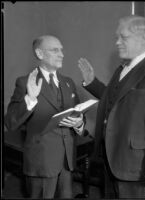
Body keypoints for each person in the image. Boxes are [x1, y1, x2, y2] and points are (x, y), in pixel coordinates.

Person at [78, 15, 145, 198]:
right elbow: (115, 100)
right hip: (110, 160)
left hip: (136, 167)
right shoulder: (121, 69)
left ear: (143, 38)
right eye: (117, 37)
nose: (117, 42)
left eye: (123, 37)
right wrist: (91, 82)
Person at [5, 35, 85, 199]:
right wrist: (31, 99)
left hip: (66, 162)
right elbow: (10, 122)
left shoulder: (68, 82)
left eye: (61, 50)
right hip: (41, 162)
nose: (62, 54)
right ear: (40, 54)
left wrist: (79, 123)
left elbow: (78, 112)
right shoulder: (24, 82)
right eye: (55, 50)